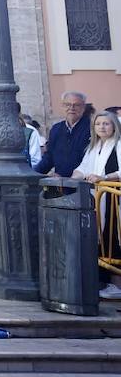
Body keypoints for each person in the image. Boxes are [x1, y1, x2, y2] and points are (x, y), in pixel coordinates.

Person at [71, 110, 121, 299]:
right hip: (98, 200)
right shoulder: (94, 147)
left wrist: (104, 177)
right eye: (98, 124)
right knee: (102, 238)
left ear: (114, 126)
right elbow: (83, 168)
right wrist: (72, 178)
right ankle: (106, 281)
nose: (102, 127)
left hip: (114, 201)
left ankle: (118, 284)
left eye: (106, 123)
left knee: (113, 237)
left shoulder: (119, 145)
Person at [35, 91, 95, 179]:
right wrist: (34, 174)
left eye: (76, 105)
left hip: (84, 183)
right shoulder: (56, 129)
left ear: (84, 107)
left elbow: (92, 159)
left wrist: (68, 177)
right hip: (61, 184)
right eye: (68, 105)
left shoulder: (92, 128)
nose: (72, 108)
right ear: (62, 106)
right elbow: (49, 156)